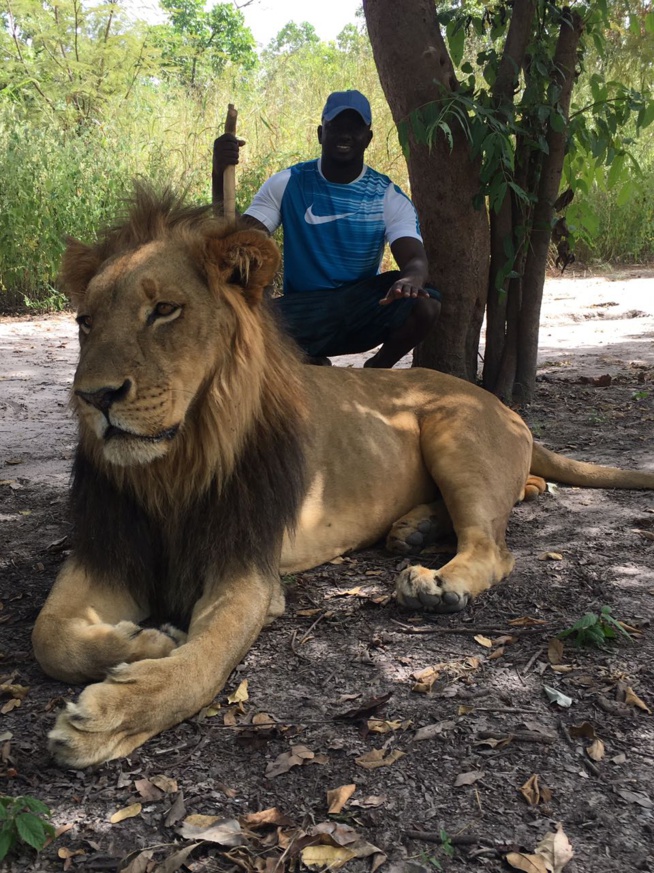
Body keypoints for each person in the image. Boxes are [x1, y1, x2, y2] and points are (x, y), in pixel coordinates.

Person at [213, 89, 441, 368]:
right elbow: (238, 243)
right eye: (336, 127)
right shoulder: (288, 183)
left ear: (368, 139)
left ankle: (377, 368)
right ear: (321, 133)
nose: (345, 135)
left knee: (426, 304)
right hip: (305, 310)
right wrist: (218, 172)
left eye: (355, 129)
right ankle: (309, 361)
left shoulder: (387, 195)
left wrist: (412, 279)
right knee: (241, 319)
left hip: (362, 307)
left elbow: (415, 259)